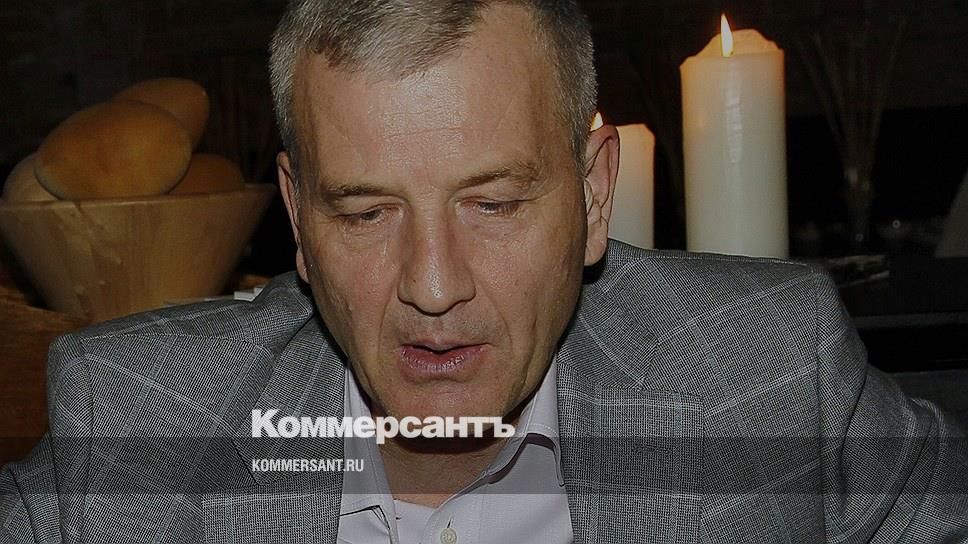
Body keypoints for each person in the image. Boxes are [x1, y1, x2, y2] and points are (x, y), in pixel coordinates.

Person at [2, 1, 966, 542]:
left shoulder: (764, 373)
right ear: (296, 216)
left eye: (494, 204)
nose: (433, 285)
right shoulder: (136, 423)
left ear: (594, 195)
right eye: (365, 212)